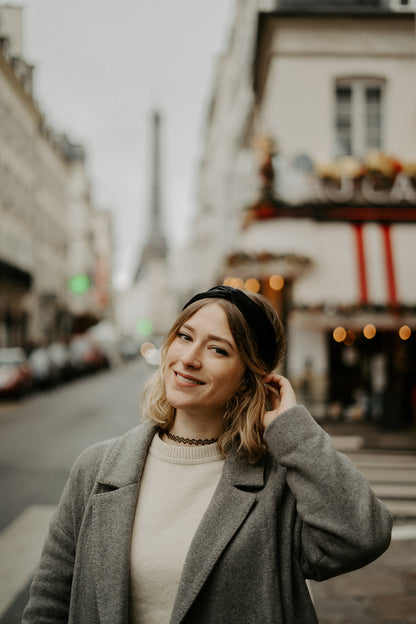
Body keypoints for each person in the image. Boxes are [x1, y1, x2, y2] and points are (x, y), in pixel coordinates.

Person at [23, 285, 392, 624]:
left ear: (250, 378)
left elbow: (361, 536)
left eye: (218, 349)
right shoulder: (96, 468)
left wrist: (293, 428)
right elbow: (50, 601)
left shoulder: (279, 481)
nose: (189, 358)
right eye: (184, 337)